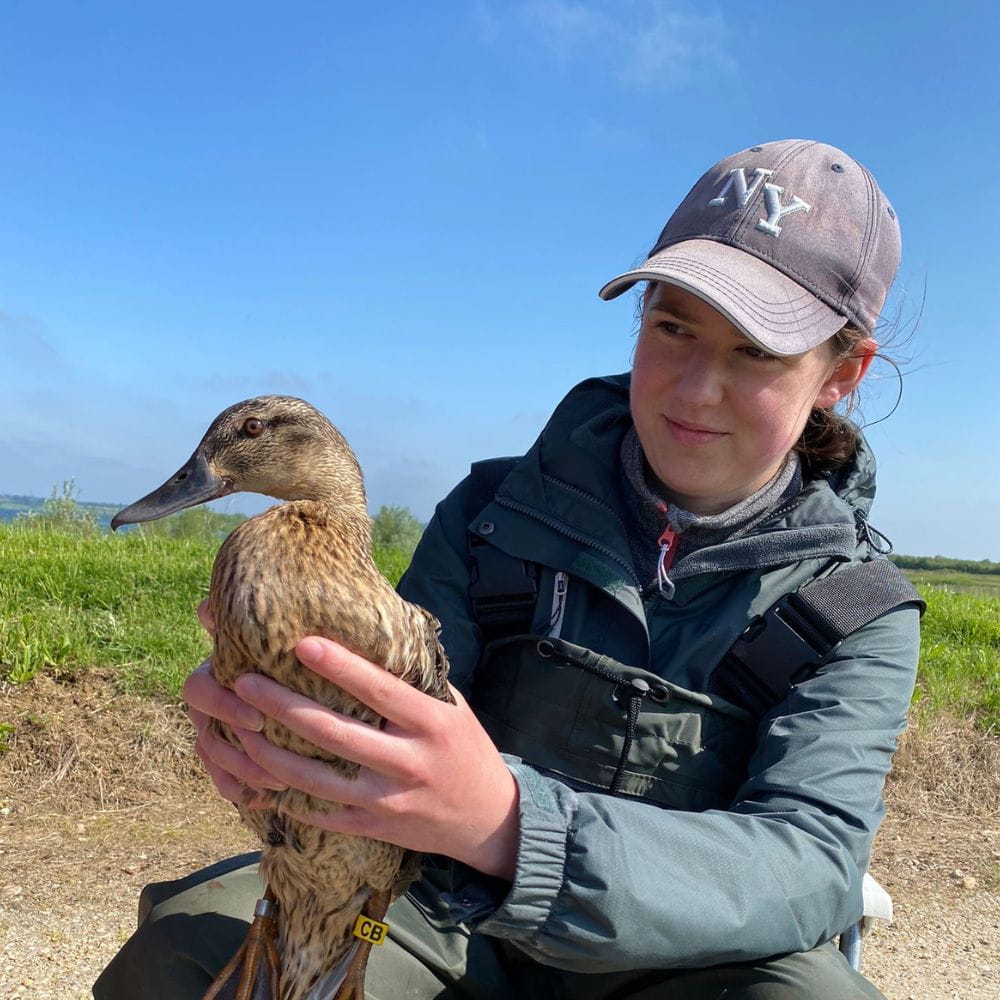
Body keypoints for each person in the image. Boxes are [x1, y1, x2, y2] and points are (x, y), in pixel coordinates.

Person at [94, 139, 921, 999]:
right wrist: (284, 733)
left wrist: (510, 823)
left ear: (842, 374)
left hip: (686, 965)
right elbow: (393, 721)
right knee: (183, 963)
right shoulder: (493, 513)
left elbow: (813, 863)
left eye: (756, 352)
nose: (695, 388)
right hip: (437, 916)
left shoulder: (855, 608)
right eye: (673, 326)